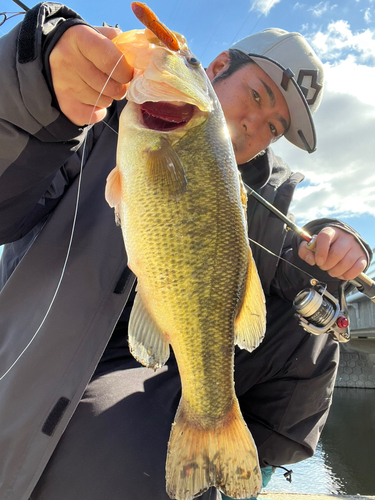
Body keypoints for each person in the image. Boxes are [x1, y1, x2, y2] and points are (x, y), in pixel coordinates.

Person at [0, 3, 371, 500]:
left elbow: (295, 277)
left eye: (274, 129)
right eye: (256, 96)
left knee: (317, 298)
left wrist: (337, 243)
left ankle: (229, 449)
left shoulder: (264, 196)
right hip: (38, 373)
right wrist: (36, 84)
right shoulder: (87, 112)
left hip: (159, 389)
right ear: (216, 68)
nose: (253, 127)